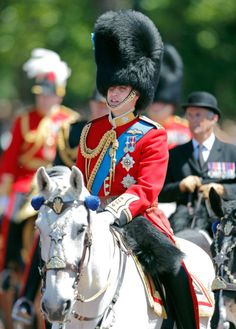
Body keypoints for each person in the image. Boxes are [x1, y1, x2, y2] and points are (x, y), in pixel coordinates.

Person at [76, 9, 199, 329]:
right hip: (90, 214)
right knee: (53, 256)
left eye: (121, 89)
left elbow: (147, 189)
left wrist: (113, 212)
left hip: (136, 217)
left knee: (174, 270)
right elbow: (81, 180)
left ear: (137, 92)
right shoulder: (91, 131)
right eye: (111, 88)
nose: (113, 94)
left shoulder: (152, 133)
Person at [11, 88, 108, 328]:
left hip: (109, 202)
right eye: (97, 103)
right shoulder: (73, 130)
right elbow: (58, 168)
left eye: (105, 104)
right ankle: (26, 297)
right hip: (70, 201)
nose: (101, 108)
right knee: (44, 233)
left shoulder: (123, 132)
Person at [0, 48, 78, 329]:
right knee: (11, 216)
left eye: (48, 94)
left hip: (59, 181)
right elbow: (10, 159)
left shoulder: (70, 120)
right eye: (40, 94)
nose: (43, 99)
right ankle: (8, 269)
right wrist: (6, 190)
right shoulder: (24, 119)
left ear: (59, 94)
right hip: (25, 182)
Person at [159, 91, 236, 235]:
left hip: (224, 219)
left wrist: (223, 189)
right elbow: (160, 193)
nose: (193, 120)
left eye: (198, 115)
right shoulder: (175, 154)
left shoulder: (231, 152)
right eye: (190, 115)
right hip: (184, 221)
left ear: (213, 118)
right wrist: (180, 186)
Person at [146, 43, 191, 150]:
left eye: (162, 103)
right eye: (153, 102)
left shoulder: (186, 129)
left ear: (172, 105)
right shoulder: (137, 129)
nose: (156, 107)